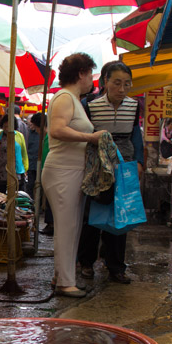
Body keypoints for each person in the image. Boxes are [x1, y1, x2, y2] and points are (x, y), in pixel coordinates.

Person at [41, 52, 105, 298]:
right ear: (81, 73)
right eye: (90, 74)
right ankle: (65, 283)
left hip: (72, 171)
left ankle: (61, 276)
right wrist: (91, 137)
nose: (92, 80)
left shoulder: (73, 99)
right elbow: (57, 130)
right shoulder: (65, 97)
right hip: (62, 171)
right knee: (67, 227)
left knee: (73, 227)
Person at [77, 61, 143, 285]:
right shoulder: (89, 104)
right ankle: (86, 262)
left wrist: (140, 162)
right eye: (117, 83)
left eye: (127, 84)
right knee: (92, 213)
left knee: (121, 214)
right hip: (96, 163)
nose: (122, 89)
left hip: (124, 163)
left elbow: (136, 135)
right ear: (105, 81)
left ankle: (115, 265)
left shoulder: (135, 106)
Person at [0, 114, 29, 194]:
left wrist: (25, 169)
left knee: (16, 194)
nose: (7, 128)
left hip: (16, 171)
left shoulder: (20, 136)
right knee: (1, 194)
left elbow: (24, 154)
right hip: (1, 171)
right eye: (5, 126)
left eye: (9, 126)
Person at [31, 112, 54, 236]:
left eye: (35, 127)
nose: (36, 131)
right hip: (47, 172)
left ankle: (51, 225)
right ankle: (49, 223)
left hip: (50, 172)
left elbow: (46, 157)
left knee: (50, 200)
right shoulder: (47, 137)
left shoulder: (49, 137)